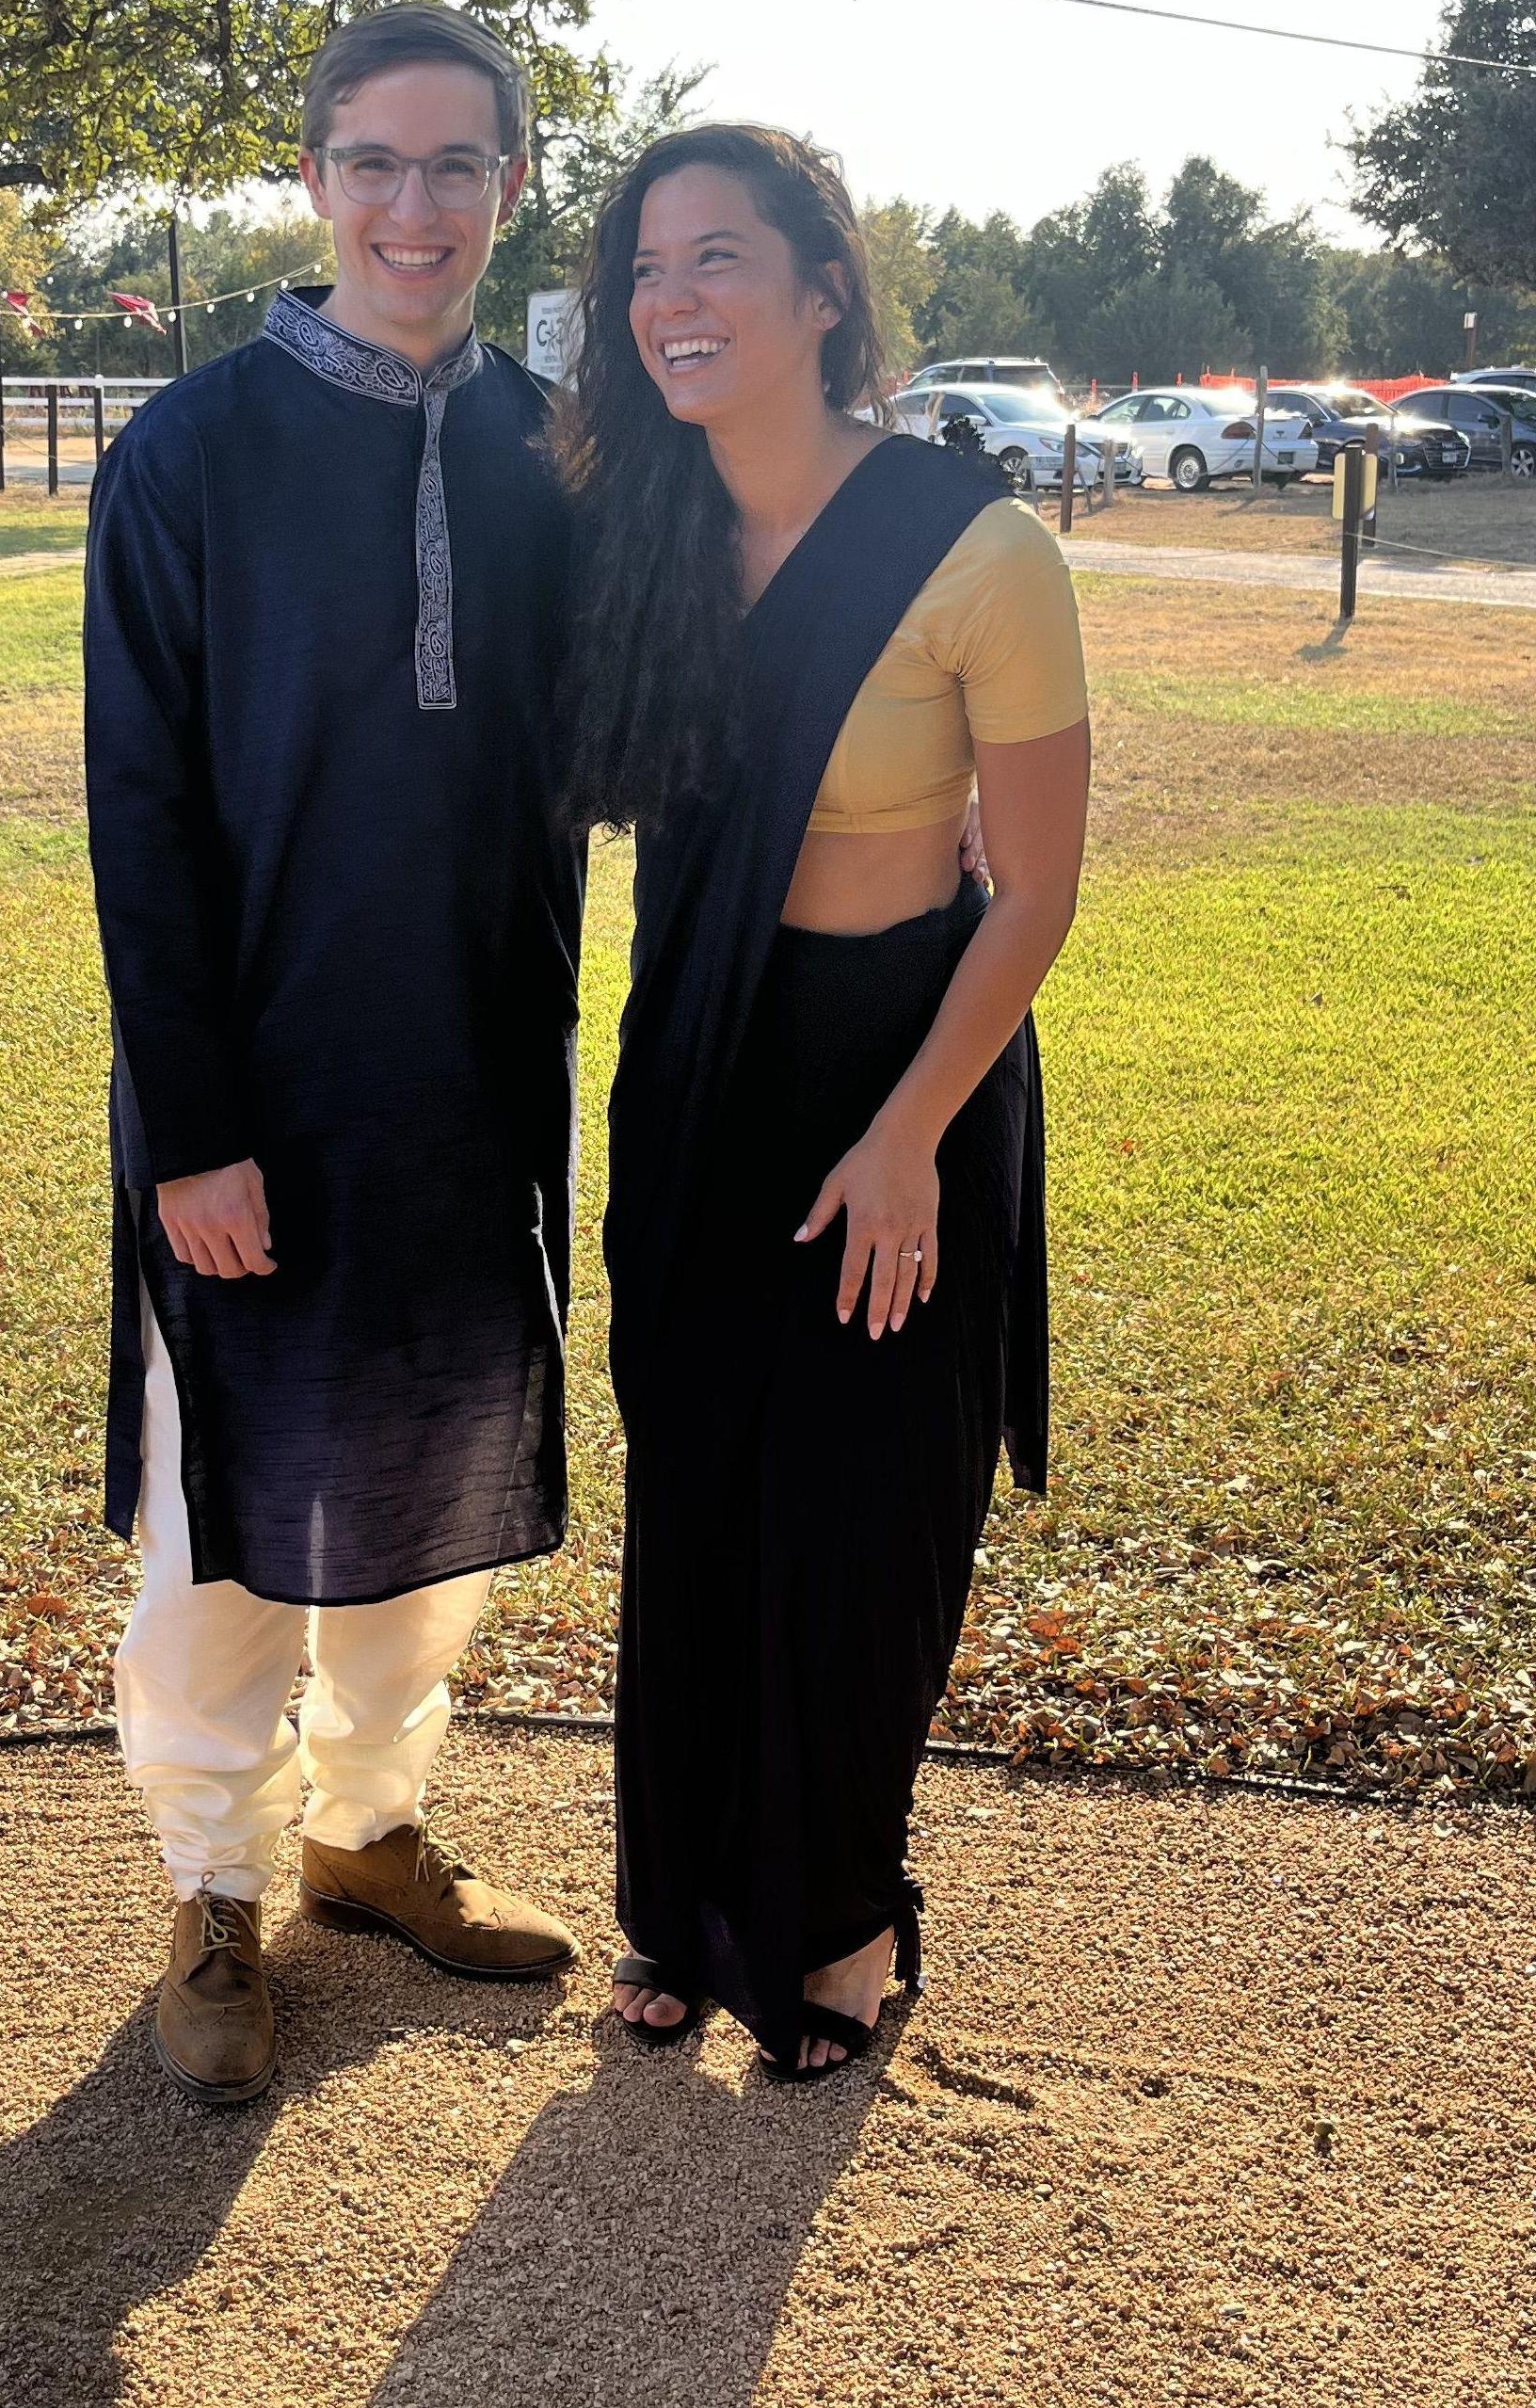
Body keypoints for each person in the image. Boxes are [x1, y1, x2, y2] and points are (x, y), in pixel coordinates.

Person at [82, 3, 583, 2105]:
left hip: (472, 1076)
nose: (413, 204)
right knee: (230, 1507)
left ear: (511, 186)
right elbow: (139, 811)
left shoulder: (557, 449)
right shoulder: (189, 451)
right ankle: (211, 1883)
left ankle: (368, 1834)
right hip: (254, 1092)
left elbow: (652, 722)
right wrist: (192, 1128)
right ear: (312, 180)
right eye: (373, 160)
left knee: (429, 1478)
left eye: (456, 163)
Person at [558, 125, 1091, 2077]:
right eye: (644, 269)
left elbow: (1034, 890)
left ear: (820, 290)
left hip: (901, 1062)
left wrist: (908, 1133)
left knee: (859, 1507)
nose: (672, 301)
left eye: (715, 258)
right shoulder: (638, 534)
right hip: (703, 1054)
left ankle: (840, 1915)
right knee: (697, 1480)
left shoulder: (973, 547)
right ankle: (685, 1900)